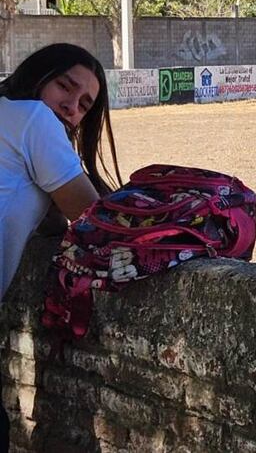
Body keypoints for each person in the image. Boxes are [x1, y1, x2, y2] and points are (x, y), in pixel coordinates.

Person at [0, 43, 122, 449]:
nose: (72, 107)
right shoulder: (35, 119)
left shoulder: (10, 118)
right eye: (64, 87)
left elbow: (42, 212)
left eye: (85, 104)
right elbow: (91, 218)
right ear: (36, 76)